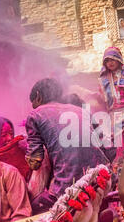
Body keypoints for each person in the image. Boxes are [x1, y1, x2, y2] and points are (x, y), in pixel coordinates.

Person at [26, 78, 110, 213]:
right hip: (100, 179)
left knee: (34, 207)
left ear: (38, 96)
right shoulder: (81, 111)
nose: (34, 106)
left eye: (33, 103)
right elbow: (105, 145)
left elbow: (35, 161)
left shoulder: (35, 114)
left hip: (67, 186)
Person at [0, 116, 51, 202]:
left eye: (11, 133)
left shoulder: (20, 147)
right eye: (4, 135)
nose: (9, 138)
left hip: (28, 198)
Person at [98, 47, 124, 164]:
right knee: (117, 149)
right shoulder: (104, 78)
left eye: (112, 59)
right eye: (107, 60)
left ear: (119, 59)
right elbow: (103, 101)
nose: (110, 63)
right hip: (113, 117)